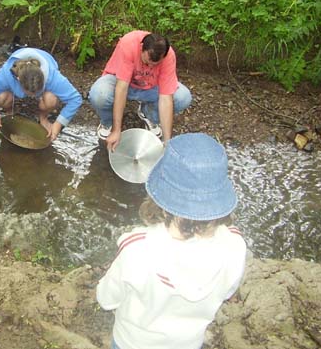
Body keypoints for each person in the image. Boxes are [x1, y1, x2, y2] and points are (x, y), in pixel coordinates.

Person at [97, 132, 247, 349]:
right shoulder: (235, 245)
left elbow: (106, 299)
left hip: (131, 342)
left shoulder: (137, 248)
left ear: (160, 197)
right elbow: (228, 291)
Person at [88, 31, 192, 150]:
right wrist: (117, 130)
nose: (151, 67)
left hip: (150, 88)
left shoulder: (168, 56)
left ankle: (149, 114)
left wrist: (167, 141)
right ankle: (108, 122)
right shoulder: (128, 44)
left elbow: (166, 97)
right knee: (99, 94)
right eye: (147, 62)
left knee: (183, 97)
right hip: (119, 81)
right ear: (142, 48)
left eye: (155, 65)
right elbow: (122, 88)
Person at [0, 47, 83, 141]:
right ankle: (10, 111)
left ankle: (43, 117)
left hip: (46, 62)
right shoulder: (6, 75)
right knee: (0, 98)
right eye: (30, 93)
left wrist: (58, 124)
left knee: (51, 99)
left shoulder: (53, 77)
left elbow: (75, 99)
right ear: (18, 80)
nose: (33, 96)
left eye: (36, 93)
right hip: (15, 76)